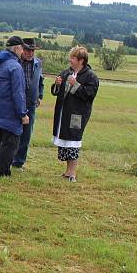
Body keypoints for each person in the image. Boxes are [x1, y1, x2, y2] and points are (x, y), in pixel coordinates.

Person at [0, 36, 29, 177]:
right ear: (16, 49)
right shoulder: (15, 67)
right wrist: (22, 113)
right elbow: (18, 93)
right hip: (10, 113)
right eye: (22, 48)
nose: (23, 51)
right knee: (11, 142)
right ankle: (3, 171)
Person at [51, 45, 99, 182]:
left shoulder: (91, 76)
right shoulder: (66, 73)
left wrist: (76, 85)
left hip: (78, 115)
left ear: (81, 60)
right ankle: (67, 172)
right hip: (63, 113)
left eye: (73, 57)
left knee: (73, 142)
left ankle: (72, 173)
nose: (70, 60)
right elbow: (56, 92)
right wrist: (57, 84)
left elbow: (90, 95)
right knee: (65, 141)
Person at [11, 38, 44, 168]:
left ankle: (19, 162)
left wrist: (40, 95)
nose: (30, 53)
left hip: (30, 104)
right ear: (21, 49)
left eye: (32, 50)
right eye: (27, 50)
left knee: (26, 135)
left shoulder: (38, 63)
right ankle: (3, 159)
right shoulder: (15, 62)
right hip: (15, 102)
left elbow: (40, 81)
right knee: (10, 132)